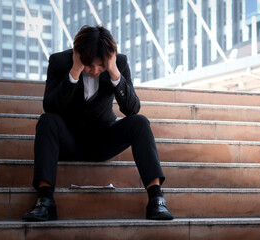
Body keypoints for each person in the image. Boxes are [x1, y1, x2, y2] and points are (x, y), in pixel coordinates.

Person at [22, 25, 174, 221]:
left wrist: (113, 71)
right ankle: (45, 201)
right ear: (78, 54)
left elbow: (131, 108)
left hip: (103, 141)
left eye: (101, 65)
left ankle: (156, 200)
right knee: (47, 120)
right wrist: (75, 71)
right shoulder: (59, 62)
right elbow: (50, 106)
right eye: (89, 64)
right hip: (69, 142)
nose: (94, 70)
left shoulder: (118, 63)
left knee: (140, 122)